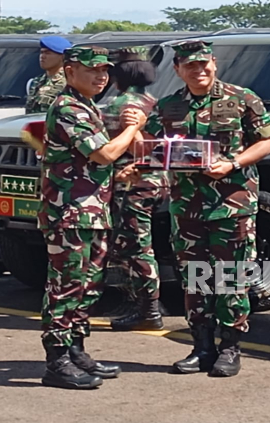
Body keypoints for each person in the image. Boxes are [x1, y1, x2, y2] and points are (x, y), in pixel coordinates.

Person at [144, 40, 270, 378]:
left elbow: (267, 141)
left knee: (231, 277)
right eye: (190, 66)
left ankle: (230, 347)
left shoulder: (241, 98)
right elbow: (150, 147)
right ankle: (201, 347)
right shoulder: (169, 106)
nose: (199, 71)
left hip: (232, 204)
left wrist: (233, 163)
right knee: (195, 279)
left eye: (204, 65)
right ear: (177, 70)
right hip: (188, 208)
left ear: (214, 64)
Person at [38, 45, 146, 390]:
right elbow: (102, 153)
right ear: (70, 72)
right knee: (65, 286)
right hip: (69, 214)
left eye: (104, 70)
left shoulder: (88, 106)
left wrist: (120, 176)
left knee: (87, 287)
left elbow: (89, 167)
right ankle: (56, 359)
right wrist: (133, 128)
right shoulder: (69, 107)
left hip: (92, 212)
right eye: (92, 70)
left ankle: (76, 349)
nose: (101, 76)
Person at [103, 46, 169, 332]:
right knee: (139, 244)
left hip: (131, 181)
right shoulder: (153, 101)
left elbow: (128, 145)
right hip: (157, 179)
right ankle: (144, 306)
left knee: (135, 246)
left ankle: (147, 309)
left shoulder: (119, 105)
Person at [25, 36, 71, 114]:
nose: (42, 56)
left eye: (47, 53)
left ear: (62, 57)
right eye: (42, 52)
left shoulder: (70, 81)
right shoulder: (36, 82)